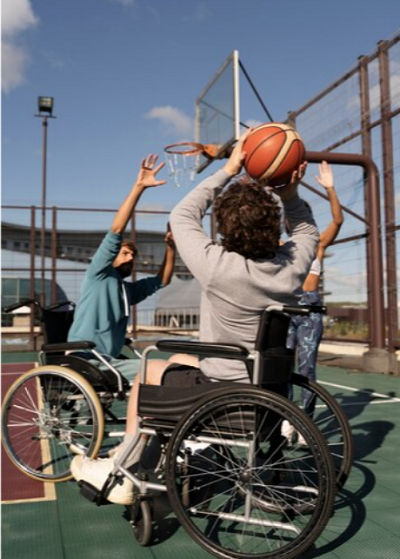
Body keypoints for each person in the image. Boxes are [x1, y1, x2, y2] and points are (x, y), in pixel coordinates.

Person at [71, 131, 319, 503]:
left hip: (224, 393)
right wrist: (288, 194)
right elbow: (306, 229)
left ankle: (122, 467)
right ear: (274, 229)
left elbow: (183, 213)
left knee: (150, 370)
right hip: (266, 388)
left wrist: (229, 168)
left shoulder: (217, 267)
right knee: (178, 359)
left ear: (224, 230)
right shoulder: (291, 268)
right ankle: (153, 456)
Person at [67, 154, 176, 383]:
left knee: (172, 366)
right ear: (111, 257)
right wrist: (139, 188)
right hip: (88, 359)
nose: (130, 258)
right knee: (163, 371)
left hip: (109, 359)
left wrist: (170, 247)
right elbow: (116, 229)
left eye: (133, 255)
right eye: (124, 253)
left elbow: (162, 280)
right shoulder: (99, 274)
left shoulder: (124, 291)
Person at [286, 160, 344, 418]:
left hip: (309, 308)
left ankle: (305, 419)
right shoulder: (281, 246)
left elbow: (338, 219)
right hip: (286, 308)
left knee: (306, 368)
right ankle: (284, 418)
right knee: (282, 366)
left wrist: (330, 188)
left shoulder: (318, 244)